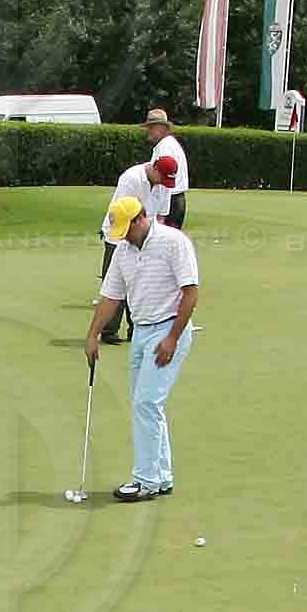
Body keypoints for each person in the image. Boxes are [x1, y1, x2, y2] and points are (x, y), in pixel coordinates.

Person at [84, 188, 200, 501]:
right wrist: (93, 333)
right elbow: (111, 297)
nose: (123, 238)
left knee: (147, 403)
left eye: (126, 230)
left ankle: (146, 480)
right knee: (146, 405)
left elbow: (190, 292)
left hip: (168, 330)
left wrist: (172, 338)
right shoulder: (124, 251)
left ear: (140, 219)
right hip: (141, 332)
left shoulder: (173, 243)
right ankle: (161, 477)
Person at [94, 157, 169, 342]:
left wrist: (155, 240)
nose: (163, 183)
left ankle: (137, 329)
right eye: (162, 178)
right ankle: (109, 330)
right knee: (115, 282)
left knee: (141, 282)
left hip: (145, 235)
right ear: (155, 169)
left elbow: (161, 215)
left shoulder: (164, 184)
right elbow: (119, 214)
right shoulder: (131, 178)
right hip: (117, 234)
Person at [141, 108, 192, 227]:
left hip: (170, 202)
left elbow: (164, 183)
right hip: (175, 200)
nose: (148, 131)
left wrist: (160, 214)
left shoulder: (164, 148)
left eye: (151, 127)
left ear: (161, 128)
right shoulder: (169, 144)